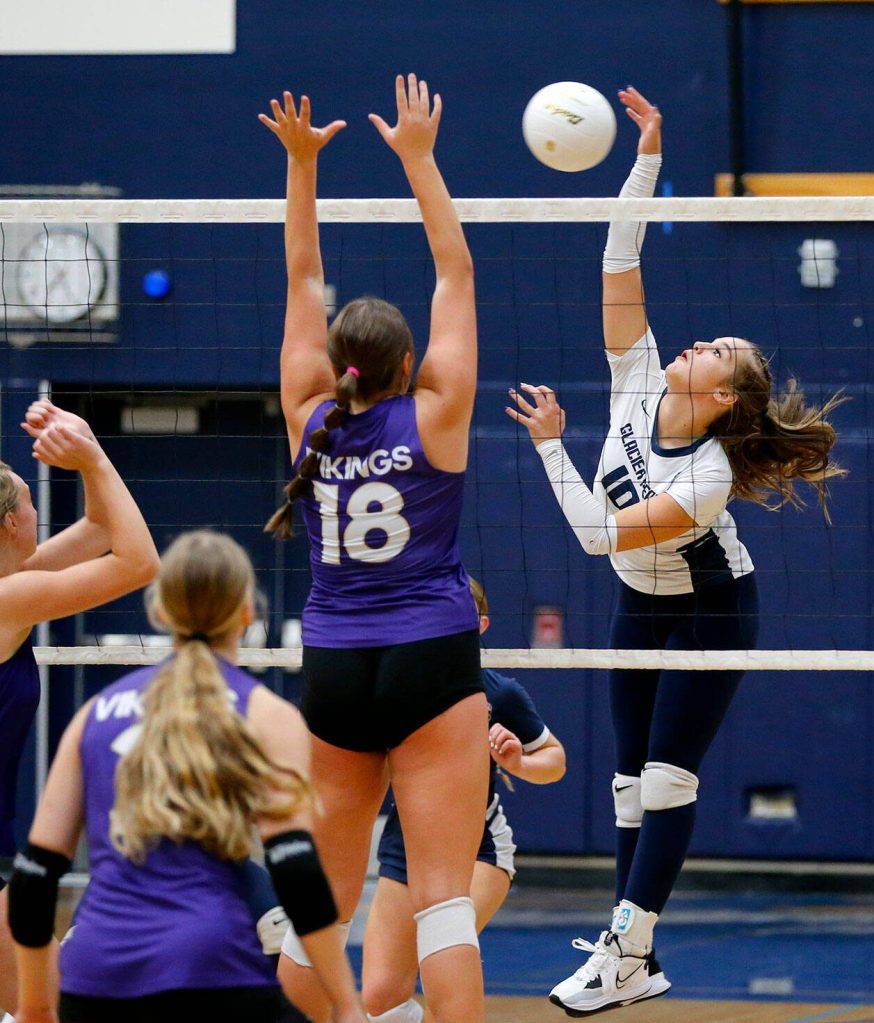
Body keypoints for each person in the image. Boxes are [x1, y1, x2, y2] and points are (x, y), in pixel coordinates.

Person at [507, 86, 846, 1018]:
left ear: (727, 396)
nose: (696, 343)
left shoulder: (702, 478)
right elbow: (620, 256)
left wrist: (549, 445)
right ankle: (632, 956)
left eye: (715, 351)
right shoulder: (641, 373)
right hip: (636, 600)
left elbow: (590, 531)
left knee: (665, 775)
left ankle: (628, 943)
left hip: (708, 605)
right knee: (623, 783)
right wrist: (648, 156)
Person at [258, 75, 488, 1023]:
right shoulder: (438, 413)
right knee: (441, 898)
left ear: (338, 367)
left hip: (337, 661)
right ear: (409, 368)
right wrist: (420, 161)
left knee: (329, 901)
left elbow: (303, 279)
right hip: (432, 651)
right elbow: (455, 277)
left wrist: (302, 166)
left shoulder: (308, 415)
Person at [8, 530, 367, 1023]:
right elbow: (298, 871)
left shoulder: (93, 714)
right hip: (210, 970)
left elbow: (33, 877)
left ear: (159, 613)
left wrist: (32, 1008)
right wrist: (347, 1004)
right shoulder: (265, 714)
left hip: (93, 977)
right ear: (247, 613)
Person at [0, 400, 159, 1018]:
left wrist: (94, 448)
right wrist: (90, 455)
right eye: (30, 501)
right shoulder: (11, 600)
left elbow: (101, 527)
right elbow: (141, 562)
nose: (40, 509)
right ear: (13, 523)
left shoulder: (19, 581)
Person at [358, 576, 566, 1023]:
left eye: (458, 616)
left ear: (481, 625)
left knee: (441, 979)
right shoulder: (393, 684)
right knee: (379, 997)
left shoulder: (498, 692)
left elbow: (555, 759)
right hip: (405, 844)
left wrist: (518, 763)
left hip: (478, 849)